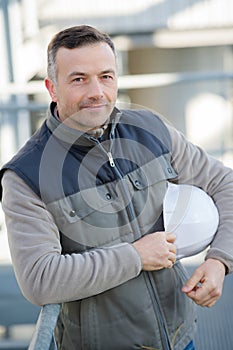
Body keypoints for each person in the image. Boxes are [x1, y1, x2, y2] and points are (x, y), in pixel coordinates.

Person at [0, 25, 233, 350]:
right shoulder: (26, 176)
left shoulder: (151, 129)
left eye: (106, 76)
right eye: (79, 79)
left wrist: (219, 260)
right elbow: (40, 278)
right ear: (52, 89)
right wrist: (136, 256)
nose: (96, 91)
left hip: (180, 338)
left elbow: (226, 184)